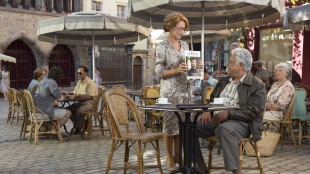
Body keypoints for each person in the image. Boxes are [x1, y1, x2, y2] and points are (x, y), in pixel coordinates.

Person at [195, 48, 266, 174]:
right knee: (190, 126)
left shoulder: (256, 84)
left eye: (231, 62)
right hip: (216, 118)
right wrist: (207, 110)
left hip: (242, 122)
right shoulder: (223, 81)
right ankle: (199, 166)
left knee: (225, 129)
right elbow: (212, 100)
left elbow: (254, 111)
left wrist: (228, 113)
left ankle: (235, 171)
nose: (227, 64)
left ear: (241, 65)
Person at [154, 12, 189, 171]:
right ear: (170, 26)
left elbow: (189, 67)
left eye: (184, 29)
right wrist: (175, 70)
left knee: (181, 126)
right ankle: (169, 158)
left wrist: (196, 68)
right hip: (169, 92)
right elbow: (158, 72)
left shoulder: (186, 45)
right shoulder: (162, 46)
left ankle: (178, 155)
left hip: (184, 91)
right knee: (169, 127)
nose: (182, 32)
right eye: (179, 28)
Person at [61, 66, 98, 134]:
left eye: (80, 73)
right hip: (80, 102)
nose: (78, 75)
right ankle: (82, 124)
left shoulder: (90, 82)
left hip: (90, 102)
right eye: (77, 73)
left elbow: (90, 95)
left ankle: (78, 128)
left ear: (86, 73)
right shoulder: (79, 82)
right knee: (68, 110)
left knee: (79, 111)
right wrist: (69, 93)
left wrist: (77, 95)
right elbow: (75, 92)